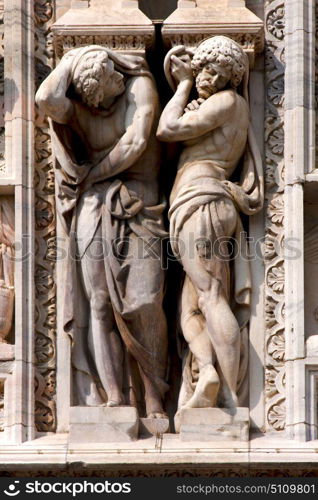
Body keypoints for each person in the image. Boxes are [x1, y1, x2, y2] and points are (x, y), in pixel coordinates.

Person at [36, 46, 168, 418]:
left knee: (144, 301)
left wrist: (100, 54)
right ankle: (116, 397)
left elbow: (137, 141)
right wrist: (71, 60)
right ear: (90, 94)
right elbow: (46, 97)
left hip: (141, 202)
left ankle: (154, 391)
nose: (117, 78)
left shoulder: (139, 84)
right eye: (109, 78)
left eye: (114, 70)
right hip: (93, 205)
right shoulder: (76, 110)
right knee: (98, 302)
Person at [157, 36, 263, 411]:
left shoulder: (226, 101)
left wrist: (183, 82)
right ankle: (208, 371)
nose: (206, 77)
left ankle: (231, 401)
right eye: (203, 68)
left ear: (231, 77)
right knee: (190, 309)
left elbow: (167, 128)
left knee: (212, 296)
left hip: (201, 202)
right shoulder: (228, 107)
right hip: (200, 205)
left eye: (215, 72)